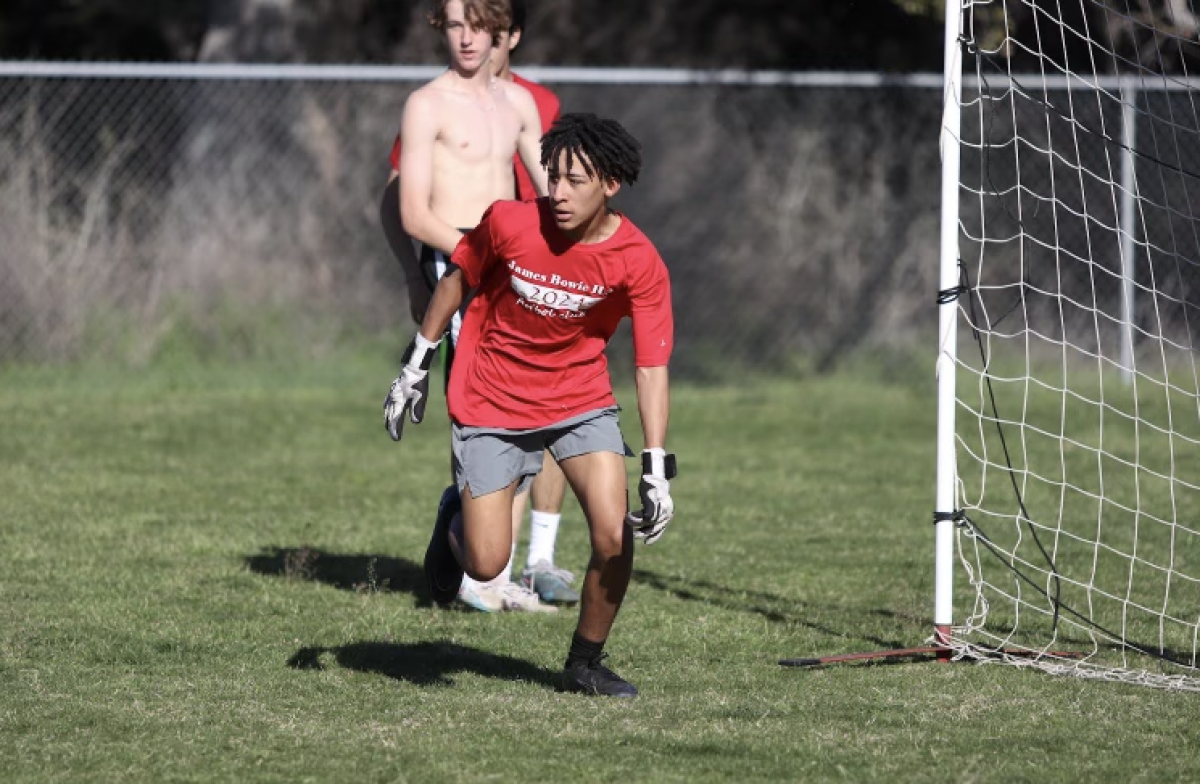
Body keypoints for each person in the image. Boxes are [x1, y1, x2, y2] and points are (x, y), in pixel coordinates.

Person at [384, 112, 678, 697]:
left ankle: (584, 663)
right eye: (553, 177)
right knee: (487, 566)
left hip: (578, 397)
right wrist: (416, 362)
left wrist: (656, 468)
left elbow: (650, 367)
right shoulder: (511, 221)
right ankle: (455, 518)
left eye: (576, 180)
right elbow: (456, 280)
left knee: (613, 535)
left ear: (611, 185)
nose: (559, 192)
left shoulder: (638, 260)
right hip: (493, 393)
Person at [378, 0, 579, 612]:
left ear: (503, 30)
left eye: (480, 25)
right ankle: (482, 571)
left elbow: (552, 195)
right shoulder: (426, 104)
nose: (467, 38)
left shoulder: (519, 104)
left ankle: (480, 548)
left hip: (514, 271)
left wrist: (579, 252)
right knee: (485, 412)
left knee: (536, 409)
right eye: (456, 24)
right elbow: (413, 213)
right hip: (460, 266)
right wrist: (478, 256)